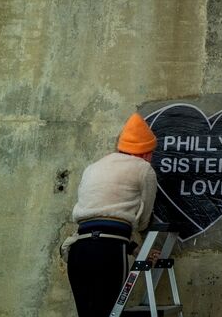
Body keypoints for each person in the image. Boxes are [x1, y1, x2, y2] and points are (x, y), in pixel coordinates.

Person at [63, 113, 158, 317]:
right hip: (110, 251)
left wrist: (133, 247)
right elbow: (142, 219)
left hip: (78, 249)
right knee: (109, 312)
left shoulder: (93, 167)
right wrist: (138, 240)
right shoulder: (144, 169)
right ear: (145, 151)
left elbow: (99, 218)